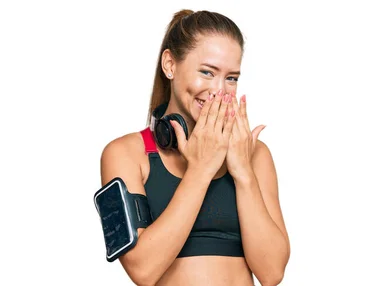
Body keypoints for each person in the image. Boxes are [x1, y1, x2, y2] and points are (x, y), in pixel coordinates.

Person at [100, 9, 290, 286]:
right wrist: (201, 169)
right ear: (170, 65)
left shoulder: (254, 153)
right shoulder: (125, 154)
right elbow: (142, 270)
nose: (219, 90)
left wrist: (243, 173)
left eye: (231, 78)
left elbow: (272, 273)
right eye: (206, 72)